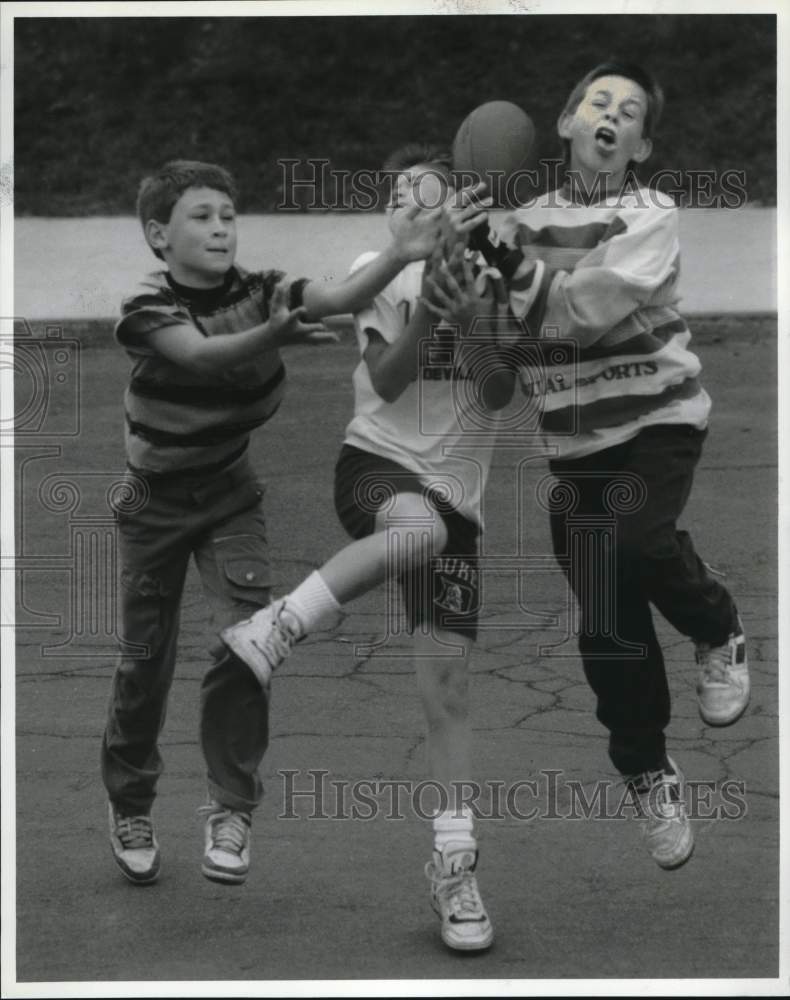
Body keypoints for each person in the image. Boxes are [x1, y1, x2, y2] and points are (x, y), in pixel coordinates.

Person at [102, 158, 450, 888]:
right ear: (158, 235)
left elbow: (336, 294)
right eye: (201, 216)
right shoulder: (147, 303)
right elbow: (199, 358)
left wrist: (402, 254)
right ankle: (131, 802)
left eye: (228, 214)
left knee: (246, 647)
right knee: (145, 665)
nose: (221, 227)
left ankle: (231, 810)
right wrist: (275, 338)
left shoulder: (264, 292)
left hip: (230, 495)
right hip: (153, 504)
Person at [222, 145, 508, 951]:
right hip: (375, 467)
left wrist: (476, 312)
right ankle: (281, 624)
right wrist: (433, 314)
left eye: (430, 200)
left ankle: (455, 870)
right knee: (416, 528)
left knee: (447, 689)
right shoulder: (375, 272)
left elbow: (499, 390)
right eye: (400, 201)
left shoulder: (501, 272)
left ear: (461, 208)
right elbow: (385, 381)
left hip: (460, 505)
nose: (413, 212)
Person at [464, 61, 749, 870]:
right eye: (598, 102)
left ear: (642, 144)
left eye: (628, 112)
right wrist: (460, 260)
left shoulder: (648, 214)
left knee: (641, 542)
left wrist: (507, 261)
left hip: (657, 421)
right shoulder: (514, 223)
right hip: (575, 448)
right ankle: (649, 774)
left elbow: (585, 312)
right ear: (562, 123)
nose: (611, 116)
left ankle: (717, 626)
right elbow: (504, 353)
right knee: (607, 630)